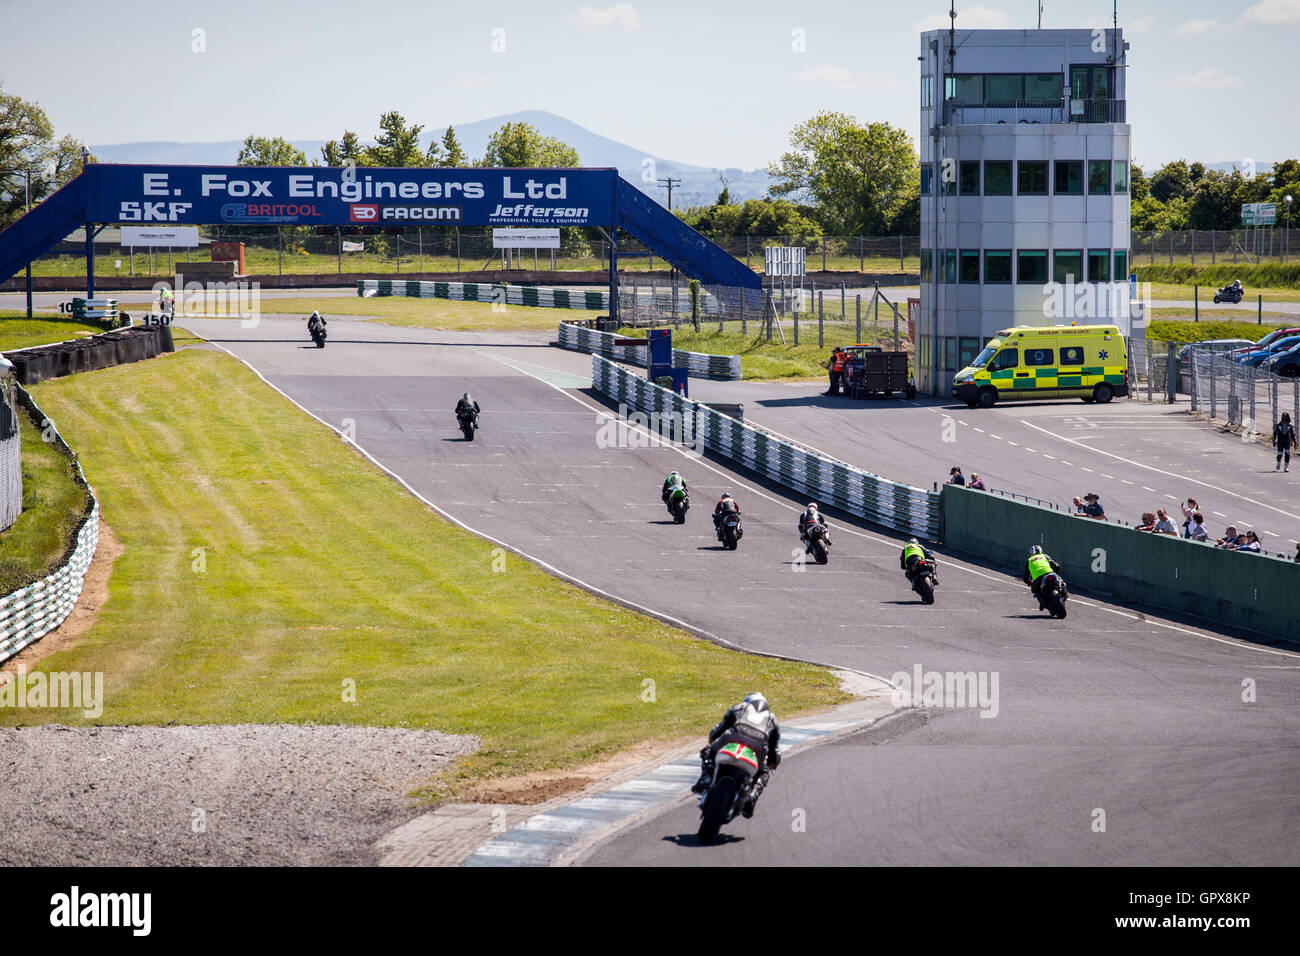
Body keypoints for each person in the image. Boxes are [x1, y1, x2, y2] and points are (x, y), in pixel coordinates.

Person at [691, 692, 782, 820]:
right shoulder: (772, 719)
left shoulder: (739, 707)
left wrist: (713, 740)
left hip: (734, 737)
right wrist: (773, 761)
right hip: (758, 746)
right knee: (763, 772)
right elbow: (774, 749)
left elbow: (718, 730)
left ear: (748, 701)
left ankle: (705, 777)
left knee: (708, 750)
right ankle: (752, 797)